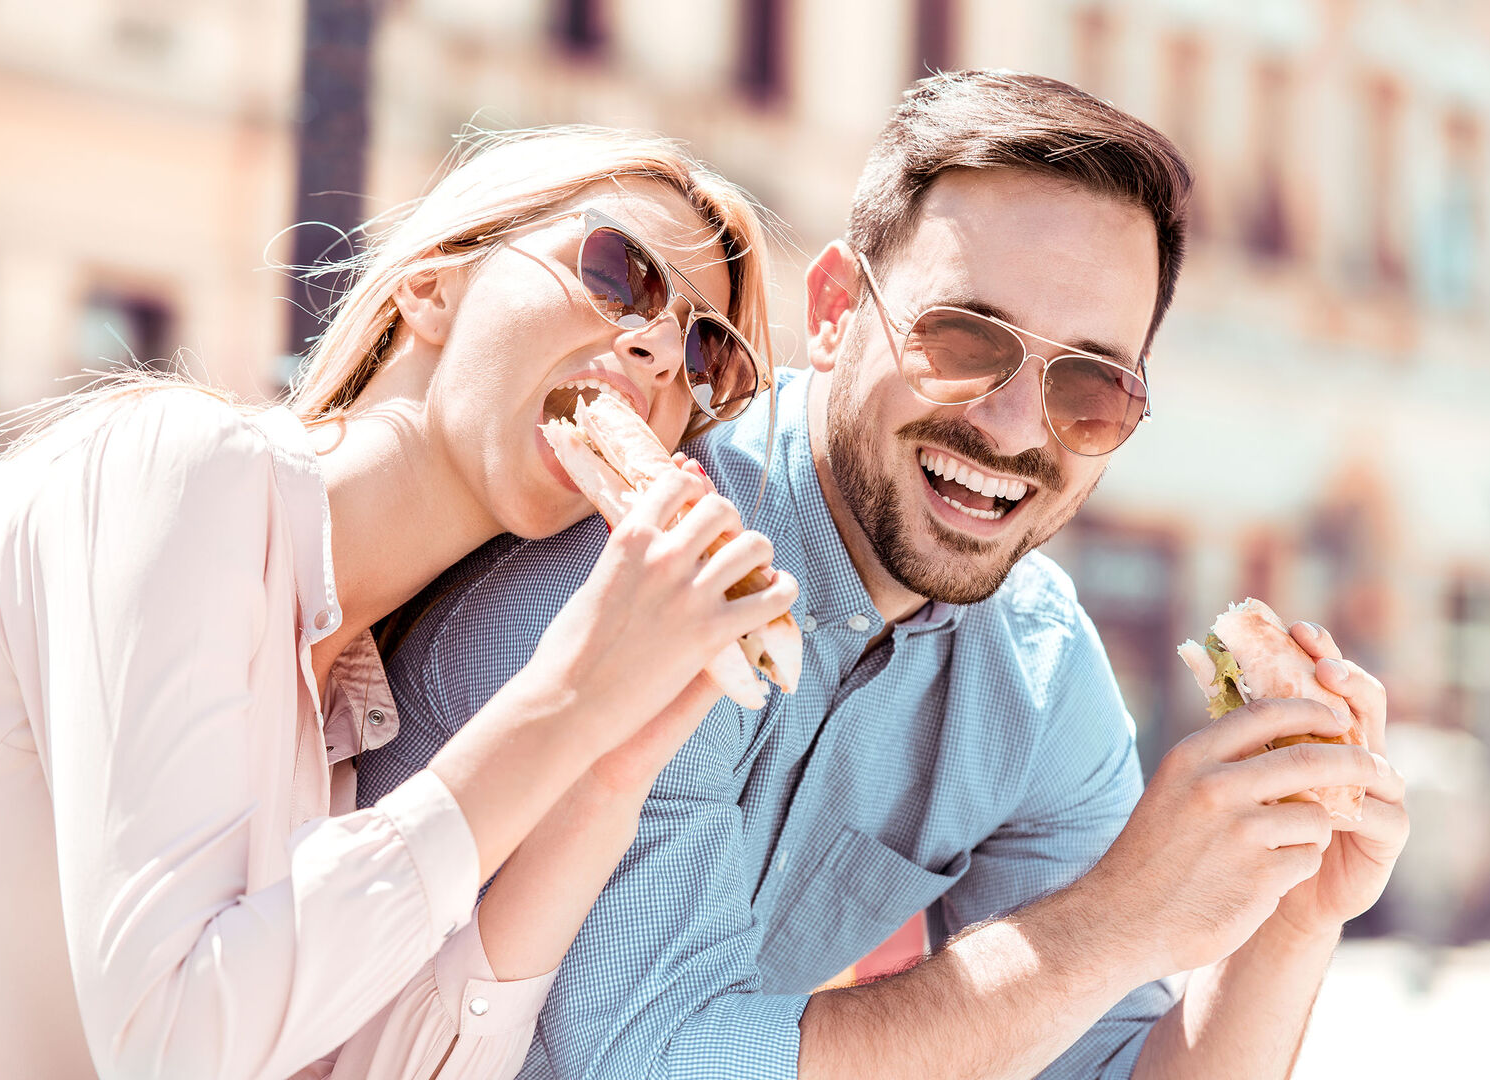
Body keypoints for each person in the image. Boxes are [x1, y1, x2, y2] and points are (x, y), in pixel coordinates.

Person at [358, 72, 1410, 1079]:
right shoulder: (631, 561)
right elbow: (654, 1061)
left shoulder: (1038, 669)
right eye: (960, 338)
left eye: (1087, 387)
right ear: (830, 309)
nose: (1010, 428)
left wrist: (1288, 914)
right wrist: (1113, 921)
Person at [0, 126, 798, 1080]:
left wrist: (607, 768)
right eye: (618, 271)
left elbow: (394, 1066)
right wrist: (563, 700)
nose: (660, 353)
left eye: (708, 360)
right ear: (432, 286)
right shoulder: (178, 462)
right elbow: (177, 1040)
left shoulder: (347, 717)